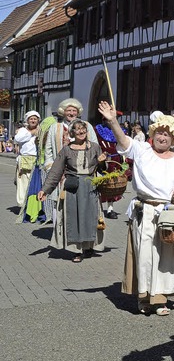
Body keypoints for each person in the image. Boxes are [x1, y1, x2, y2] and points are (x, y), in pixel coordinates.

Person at [98, 100, 174, 316]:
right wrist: (113, 121)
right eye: (159, 133)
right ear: (153, 134)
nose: (162, 137)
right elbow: (123, 142)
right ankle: (144, 298)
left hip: (170, 214)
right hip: (145, 211)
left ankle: (161, 298)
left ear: (173, 139)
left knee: (167, 257)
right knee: (145, 256)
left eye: (167, 134)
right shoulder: (142, 149)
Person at [37, 120, 107, 262]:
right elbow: (56, 171)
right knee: (74, 218)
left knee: (90, 217)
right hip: (72, 187)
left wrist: (101, 162)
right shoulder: (66, 150)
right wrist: (45, 190)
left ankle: (88, 246)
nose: (81, 132)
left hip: (90, 186)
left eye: (83, 129)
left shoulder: (95, 147)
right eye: (77, 130)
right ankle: (76, 250)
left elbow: (102, 169)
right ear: (72, 133)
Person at [44, 99, 98, 232]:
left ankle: (80, 230)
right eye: (69, 110)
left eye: (74, 110)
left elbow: (95, 145)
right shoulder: (55, 127)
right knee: (59, 201)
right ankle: (59, 230)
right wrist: (50, 165)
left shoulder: (86, 126)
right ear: (63, 112)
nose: (71, 113)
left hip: (81, 172)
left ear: (78, 112)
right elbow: (49, 149)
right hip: (60, 172)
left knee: (83, 203)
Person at [94, 116, 133, 219]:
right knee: (99, 185)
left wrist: (127, 161)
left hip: (116, 161)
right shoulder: (97, 130)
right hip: (102, 160)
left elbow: (125, 146)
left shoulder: (120, 131)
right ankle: (98, 209)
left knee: (113, 185)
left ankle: (110, 209)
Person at [14, 111, 40, 206]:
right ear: (27, 120)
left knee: (35, 183)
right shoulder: (22, 130)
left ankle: (33, 205)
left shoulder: (41, 129)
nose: (33, 120)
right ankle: (23, 205)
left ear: (38, 120)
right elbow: (18, 139)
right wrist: (32, 132)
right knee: (23, 184)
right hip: (24, 159)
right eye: (31, 119)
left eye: (35, 119)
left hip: (36, 159)